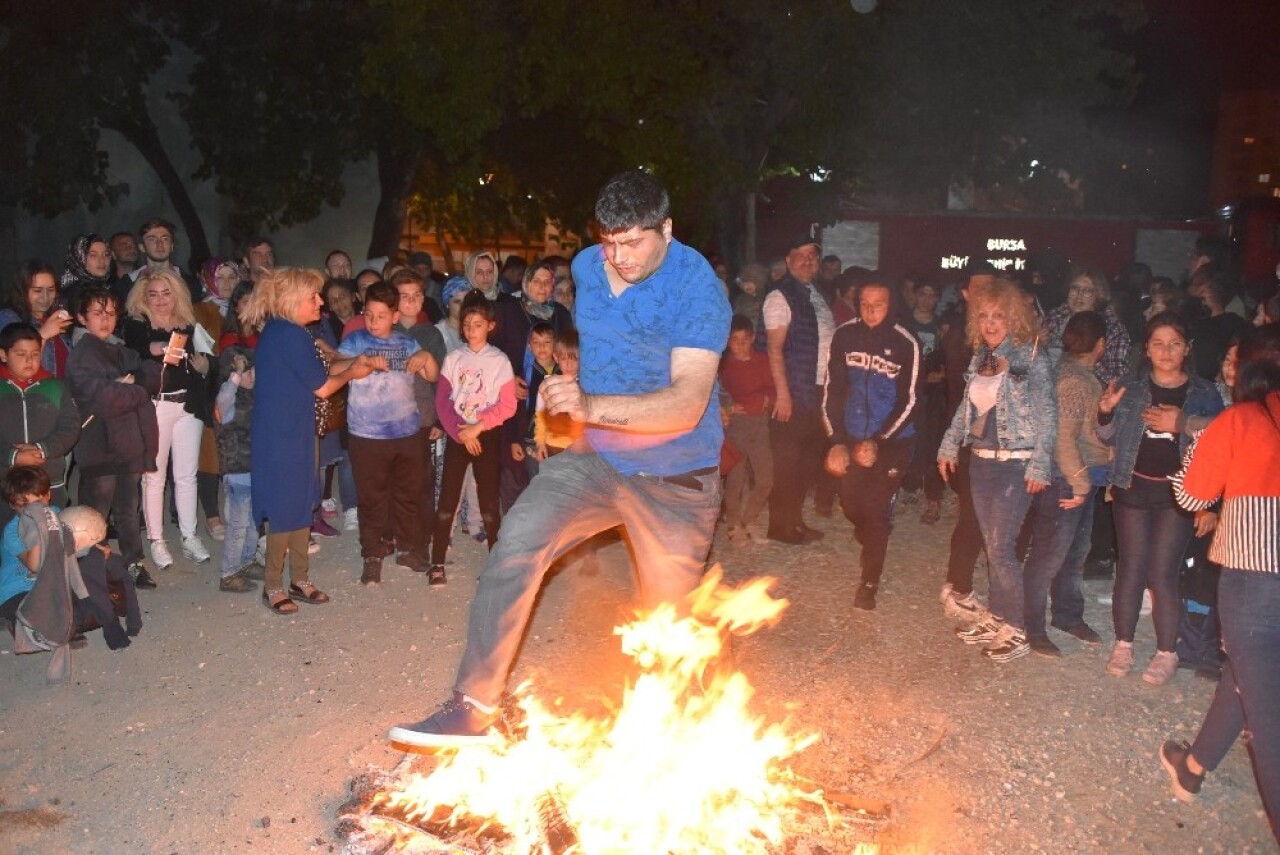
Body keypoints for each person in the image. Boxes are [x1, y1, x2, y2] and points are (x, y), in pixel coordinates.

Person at [389, 170, 730, 746]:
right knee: (516, 545)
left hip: (677, 477)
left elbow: (686, 403)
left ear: (666, 228)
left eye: (633, 242)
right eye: (608, 240)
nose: (618, 257)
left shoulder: (697, 289)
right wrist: (559, 391)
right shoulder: (588, 269)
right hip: (597, 458)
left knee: (668, 633)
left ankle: (677, 746)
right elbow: (598, 348)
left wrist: (591, 403)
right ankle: (474, 705)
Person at [1161, 323, 1280, 839]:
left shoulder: (1241, 419)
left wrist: (1194, 437)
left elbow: (1190, 496)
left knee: (1269, 715)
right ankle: (1192, 768)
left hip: (1256, 581)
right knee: (1246, 672)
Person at [244, 268, 381, 614]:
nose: (320, 301)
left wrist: (352, 363)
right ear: (293, 301)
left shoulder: (288, 332)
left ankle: (299, 578)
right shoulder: (288, 335)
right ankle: (273, 585)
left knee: (304, 499)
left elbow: (318, 372)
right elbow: (323, 386)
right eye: (313, 297)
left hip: (293, 429)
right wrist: (353, 372)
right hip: (282, 435)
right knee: (286, 506)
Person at [1097, 311, 1223, 685]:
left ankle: (1167, 652)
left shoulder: (1204, 392)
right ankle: (1123, 644)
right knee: (1131, 571)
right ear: (1146, 349)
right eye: (1158, 343)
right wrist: (1104, 412)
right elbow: (1107, 437)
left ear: (1187, 349)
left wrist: (1210, 504)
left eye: (1175, 344)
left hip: (1178, 496)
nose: (1166, 351)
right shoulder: (1132, 387)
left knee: (1163, 574)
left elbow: (1220, 445)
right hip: (1133, 488)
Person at [937, 276, 1056, 663]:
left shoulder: (1031, 356)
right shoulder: (980, 358)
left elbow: (1047, 415)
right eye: (984, 315)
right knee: (992, 547)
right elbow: (966, 409)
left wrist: (1040, 462)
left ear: (1015, 318)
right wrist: (948, 444)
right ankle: (997, 617)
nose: (990, 323)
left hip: (1014, 465)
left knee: (1002, 549)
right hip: (982, 464)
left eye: (999, 316)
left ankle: (1017, 630)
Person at [823, 276, 921, 610]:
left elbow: (910, 401)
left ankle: (869, 583)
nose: (870, 311)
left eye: (878, 304)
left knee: (875, 511)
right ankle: (871, 531)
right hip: (853, 435)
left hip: (893, 440)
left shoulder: (906, 342)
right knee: (851, 504)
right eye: (865, 303)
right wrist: (836, 441)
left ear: (890, 305)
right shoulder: (845, 335)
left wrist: (880, 440)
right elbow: (832, 390)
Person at [1020, 311, 1108, 656]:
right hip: (1066, 479)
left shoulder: (1079, 375)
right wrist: (1080, 483)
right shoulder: (1072, 381)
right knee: (1047, 557)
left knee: (1073, 554)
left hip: (1078, 477)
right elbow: (1062, 439)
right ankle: (1031, 626)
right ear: (1100, 345)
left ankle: (1067, 616)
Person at [338, 282, 438, 584]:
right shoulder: (355, 341)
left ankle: (407, 548)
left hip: (406, 431)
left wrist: (428, 359)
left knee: (407, 494)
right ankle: (372, 553)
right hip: (366, 435)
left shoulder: (407, 343)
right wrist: (360, 363)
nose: (373, 321)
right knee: (371, 498)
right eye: (369, 314)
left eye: (381, 315)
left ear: (395, 316)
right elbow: (333, 368)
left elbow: (432, 375)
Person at [65, 285, 159, 590]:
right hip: (100, 445)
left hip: (128, 442)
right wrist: (135, 389)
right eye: (97, 313)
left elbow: (153, 372)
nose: (105, 319)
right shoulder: (82, 354)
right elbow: (102, 397)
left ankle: (134, 562)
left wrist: (130, 384)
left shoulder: (118, 348)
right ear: (81, 317)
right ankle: (94, 566)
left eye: (110, 312)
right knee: (97, 510)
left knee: (128, 509)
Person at [121, 269, 212, 569]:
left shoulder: (188, 323)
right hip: (156, 406)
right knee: (154, 476)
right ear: (144, 297)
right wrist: (155, 348)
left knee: (186, 474)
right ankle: (157, 540)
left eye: (166, 293)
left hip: (188, 405)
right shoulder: (138, 324)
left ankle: (189, 536)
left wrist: (204, 367)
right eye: (153, 294)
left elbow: (207, 357)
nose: (160, 300)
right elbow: (132, 352)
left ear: (177, 295)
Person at [427, 296, 517, 585]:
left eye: (478, 324)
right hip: (458, 434)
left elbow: (507, 405)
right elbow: (442, 401)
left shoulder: (499, 361)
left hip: (485, 435)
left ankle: (496, 565)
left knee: (489, 503)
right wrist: (460, 432)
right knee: (448, 500)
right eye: (467, 324)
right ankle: (437, 562)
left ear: (490, 326)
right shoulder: (454, 359)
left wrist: (478, 427)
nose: (471, 329)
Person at [760, 231, 836, 544]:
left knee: (806, 463)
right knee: (787, 465)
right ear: (789, 261)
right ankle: (779, 527)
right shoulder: (780, 297)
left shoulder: (815, 292)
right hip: (793, 393)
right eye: (801, 256)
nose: (808, 262)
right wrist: (783, 395)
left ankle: (795, 521)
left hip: (817, 391)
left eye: (812, 256)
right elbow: (774, 349)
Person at [0, 324, 80, 531]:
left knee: (49, 536)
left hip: (48, 479)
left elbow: (70, 427)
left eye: (35, 354)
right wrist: (12, 456)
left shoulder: (55, 387)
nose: (29, 360)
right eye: (21, 354)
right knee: (8, 538)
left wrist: (42, 449)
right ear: (3, 354)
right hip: (5, 481)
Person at [720, 314, 775, 544]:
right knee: (736, 479)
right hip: (736, 427)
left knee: (766, 477)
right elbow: (719, 396)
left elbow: (773, 390)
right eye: (734, 340)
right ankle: (733, 524)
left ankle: (749, 519)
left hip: (759, 425)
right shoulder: (724, 366)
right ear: (727, 341)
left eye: (744, 340)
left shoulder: (763, 360)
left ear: (752, 339)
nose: (740, 346)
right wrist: (728, 408)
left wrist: (764, 400)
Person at [212, 342, 259, 593]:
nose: (251, 376)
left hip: (253, 469)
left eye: (252, 370)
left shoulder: (252, 394)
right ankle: (229, 572)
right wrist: (236, 375)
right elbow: (223, 399)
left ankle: (248, 561)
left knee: (252, 522)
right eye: (246, 371)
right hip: (237, 470)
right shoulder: (228, 396)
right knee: (238, 525)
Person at [1040, 265, 1132, 386]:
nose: (1079, 295)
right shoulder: (1056, 316)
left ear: (1099, 295)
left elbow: (1117, 379)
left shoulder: (1113, 328)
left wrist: (1089, 358)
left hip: (1087, 390)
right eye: (1075, 288)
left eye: (1087, 291)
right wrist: (1037, 343)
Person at [2, 261, 75, 377]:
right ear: (22, 291)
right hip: (33, 393)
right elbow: (13, 369)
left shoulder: (55, 317)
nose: (45, 297)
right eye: (37, 290)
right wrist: (42, 335)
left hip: (61, 391)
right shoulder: (9, 318)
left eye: (51, 290)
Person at [60, 234, 114, 320]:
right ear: (79, 258)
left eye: (106, 255)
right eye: (93, 255)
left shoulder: (107, 287)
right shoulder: (76, 293)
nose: (102, 260)